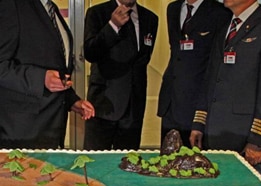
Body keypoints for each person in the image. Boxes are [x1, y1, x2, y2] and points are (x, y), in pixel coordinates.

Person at [189, 0, 261, 176]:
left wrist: (257, 141)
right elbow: (211, 79)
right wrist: (199, 123)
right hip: (213, 137)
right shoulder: (225, 26)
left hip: (243, 141)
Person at [0, 0, 95, 149]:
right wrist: (41, 79)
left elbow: (53, 65)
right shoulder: (11, 4)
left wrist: (72, 100)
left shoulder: (51, 8)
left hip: (51, 129)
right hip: (21, 133)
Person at [83, 0, 158, 150]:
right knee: (95, 164)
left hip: (134, 107)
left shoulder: (150, 18)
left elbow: (143, 59)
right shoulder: (97, 13)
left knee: (128, 163)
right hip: (104, 104)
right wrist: (113, 26)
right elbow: (90, 53)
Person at [157, 0, 231, 146]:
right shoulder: (173, 8)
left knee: (193, 162)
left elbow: (216, 61)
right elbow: (176, 52)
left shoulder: (220, 12)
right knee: (167, 160)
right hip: (171, 100)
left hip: (197, 102)